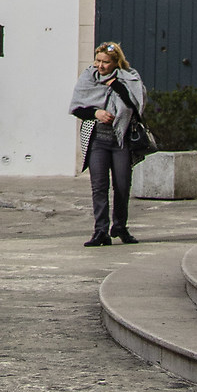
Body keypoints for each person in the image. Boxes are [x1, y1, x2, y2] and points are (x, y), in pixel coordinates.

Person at [71, 40, 147, 248]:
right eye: (98, 60)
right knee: (99, 186)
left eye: (105, 62)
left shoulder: (129, 77)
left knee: (122, 185)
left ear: (116, 62)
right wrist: (96, 112)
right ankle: (100, 231)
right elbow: (77, 108)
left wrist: (116, 85)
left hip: (121, 138)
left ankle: (120, 226)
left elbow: (135, 106)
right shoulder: (88, 77)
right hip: (98, 139)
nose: (100, 66)